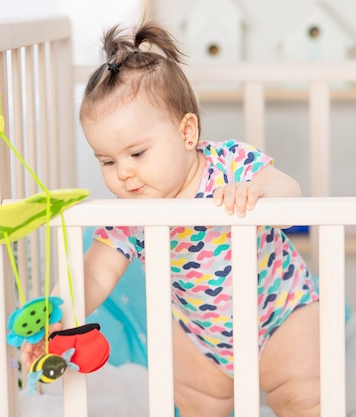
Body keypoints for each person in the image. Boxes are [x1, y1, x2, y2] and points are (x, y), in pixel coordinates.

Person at [22, 21, 320, 417]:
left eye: (137, 154)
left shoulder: (229, 163)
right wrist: (56, 315)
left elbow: (290, 191)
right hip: (200, 334)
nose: (123, 173)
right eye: (108, 162)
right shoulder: (132, 216)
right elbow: (94, 272)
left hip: (281, 312)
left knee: (304, 397)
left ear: (187, 133)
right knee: (196, 401)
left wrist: (259, 193)